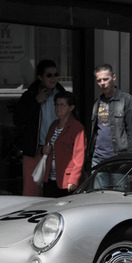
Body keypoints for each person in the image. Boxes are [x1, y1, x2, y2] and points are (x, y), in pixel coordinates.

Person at [13, 59, 66, 196]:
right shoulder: (30, 95)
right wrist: (36, 101)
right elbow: (18, 120)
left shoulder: (63, 95)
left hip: (57, 151)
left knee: (57, 190)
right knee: (31, 191)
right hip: (35, 151)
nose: (53, 78)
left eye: (56, 75)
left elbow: (73, 122)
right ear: (40, 77)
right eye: (49, 75)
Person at [86, 64, 132, 176]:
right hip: (98, 158)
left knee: (117, 193)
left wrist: (130, 163)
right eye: (99, 80)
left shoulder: (126, 100)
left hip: (118, 158)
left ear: (114, 77)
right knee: (98, 193)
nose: (102, 83)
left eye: (105, 79)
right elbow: (95, 131)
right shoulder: (97, 103)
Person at [40, 92, 87, 198]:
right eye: (56, 104)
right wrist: (44, 149)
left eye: (62, 105)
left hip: (67, 181)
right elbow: (48, 146)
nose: (58, 108)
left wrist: (74, 179)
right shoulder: (53, 125)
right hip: (50, 178)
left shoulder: (77, 127)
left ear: (71, 107)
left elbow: (79, 157)